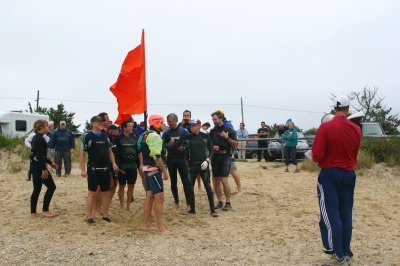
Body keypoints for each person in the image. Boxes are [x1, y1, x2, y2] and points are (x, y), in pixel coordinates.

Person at [312, 95, 362, 265]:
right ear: (348, 109)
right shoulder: (356, 129)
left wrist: (321, 160)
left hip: (330, 174)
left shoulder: (326, 127)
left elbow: (317, 155)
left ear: (334, 108)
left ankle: (338, 254)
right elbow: (354, 152)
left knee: (331, 213)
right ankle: (346, 251)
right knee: (346, 213)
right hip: (349, 173)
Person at [80, 116, 118, 225]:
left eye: (101, 122)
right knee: (92, 193)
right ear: (92, 123)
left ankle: (105, 215)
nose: (101, 123)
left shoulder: (105, 136)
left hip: (105, 168)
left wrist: (114, 163)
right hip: (93, 168)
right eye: (98, 122)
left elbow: (110, 151)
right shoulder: (86, 136)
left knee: (105, 192)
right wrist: (83, 170)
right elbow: (82, 155)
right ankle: (89, 217)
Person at [178, 119, 218, 217]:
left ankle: (212, 209)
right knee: (190, 187)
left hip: (203, 165)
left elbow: (211, 150)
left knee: (208, 187)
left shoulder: (205, 136)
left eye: (193, 125)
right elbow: (180, 148)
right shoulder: (187, 137)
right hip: (191, 166)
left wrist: (208, 160)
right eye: (191, 126)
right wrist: (181, 148)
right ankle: (192, 208)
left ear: (199, 126)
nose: (191, 127)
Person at [138, 114, 169, 235]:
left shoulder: (145, 134)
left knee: (149, 197)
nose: (163, 124)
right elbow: (157, 156)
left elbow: (141, 151)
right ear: (157, 123)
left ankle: (145, 223)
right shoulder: (155, 136)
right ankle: (161, 229)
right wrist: (165, 172)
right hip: (154, 170)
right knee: (159, 199)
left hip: (147, 168)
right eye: (162, 122)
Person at [209, 110, 238, 210]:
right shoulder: (212, 131)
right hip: (215, 157)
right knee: (216, 181)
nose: (214, 121)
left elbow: (236, 144)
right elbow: (209, 145)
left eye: (215, 119)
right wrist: (213, 147)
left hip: (225, 156)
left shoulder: (229, 130)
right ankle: (220, 202)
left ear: (221, 118)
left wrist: (227, 138)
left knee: (224, 180)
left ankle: (228, 203)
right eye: (213, 119)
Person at [29, 119, 58, 218]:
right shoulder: (40, 139)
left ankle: (33, 212)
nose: (48, 127)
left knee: (36, 189)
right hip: (39, 168)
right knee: (52, 187)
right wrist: (44, 169)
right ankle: (45, 210)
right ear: (41, 127)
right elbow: (41, 156)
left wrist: (50, 163)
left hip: (34, 167)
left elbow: (38, 155)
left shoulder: (35, 138)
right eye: (46, 126)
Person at [162, 113, 191, 208]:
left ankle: (188, 203)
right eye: (167, 121)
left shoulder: (183, 131)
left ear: (175, 120)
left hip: (182, 159)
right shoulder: (167, 132)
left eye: (170, 121)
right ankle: (176, 202)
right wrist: (169, 145)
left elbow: (189, 143)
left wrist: (184, 148)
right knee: (173, 182)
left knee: (185, 181)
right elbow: (162, 145)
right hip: (171, 159)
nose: (168, 123)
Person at [115, 120, 138, 210]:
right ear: (124, 128)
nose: (132, 128)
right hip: (122, 166)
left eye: (132, 126)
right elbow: (114, 152)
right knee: (121, 186)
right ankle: (121, 205)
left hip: (133, 165)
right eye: (129, 126)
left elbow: (138, 151)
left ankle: (128, 205)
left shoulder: (135, 137)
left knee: (131, 186)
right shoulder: (118, 138)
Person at [108, 124, 119, 204]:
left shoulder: (116, 139)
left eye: (118, 130)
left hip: (117, 164)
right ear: (111, 130)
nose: (117, 132)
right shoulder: (107, 138)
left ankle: (109, 200)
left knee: (115, 183)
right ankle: (105, 201)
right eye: (115, 130)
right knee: (110, 184)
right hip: (109, 164)